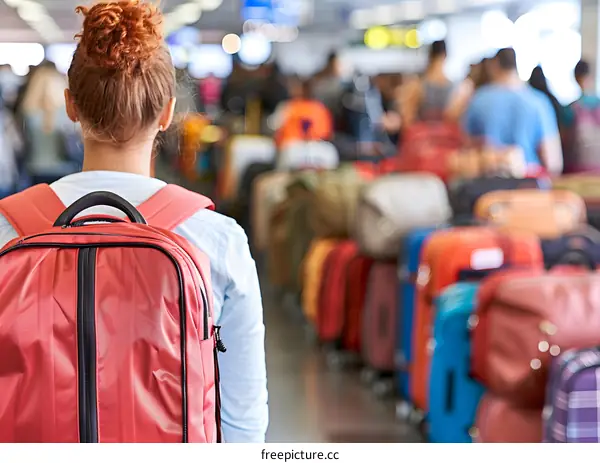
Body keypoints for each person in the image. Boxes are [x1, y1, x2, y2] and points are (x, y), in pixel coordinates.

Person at [0, 0, 268, 443]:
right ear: (167, 111)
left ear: (71, 106)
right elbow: (243, 424)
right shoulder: (218, 240)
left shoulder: (9, 230)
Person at [463, 47, 563, 176]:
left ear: (494, 65)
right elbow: (553, 162)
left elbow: (467, 149)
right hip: (529, 186)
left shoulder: (477, 99)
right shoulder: (539, 102)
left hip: (487, 185)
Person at [398, 40, 455, 126]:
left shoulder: (418, 85)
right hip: (447, 136)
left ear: (429, 55)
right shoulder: (455, 88)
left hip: (421, 136)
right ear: (445, 55)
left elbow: (407, 118)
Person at [561, 59, 600, 171]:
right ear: (592, 76)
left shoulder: (570, 109)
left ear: (575, 78)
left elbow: (564, 140)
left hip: (577, 170)